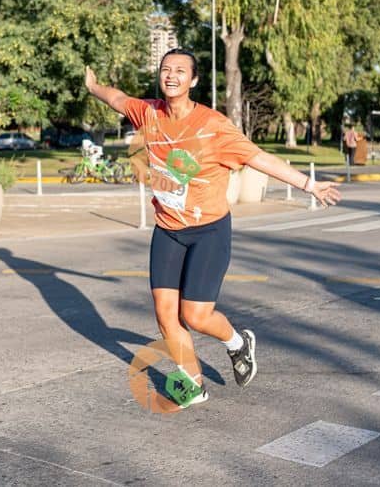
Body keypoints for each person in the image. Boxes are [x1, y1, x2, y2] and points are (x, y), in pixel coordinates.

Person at [85, 49, 341, 407]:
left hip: (208, 231)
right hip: (168, 229)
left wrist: (308, 185)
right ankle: (193, 384)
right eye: (165, 69)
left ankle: (238, 343)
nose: (170, 75)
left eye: (180, 71)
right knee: (165, 312)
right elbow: (117, 99)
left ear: (193, 80)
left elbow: (258, 158)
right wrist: (94, 87)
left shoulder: (212, 126)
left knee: (195, 315)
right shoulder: (149, 113)